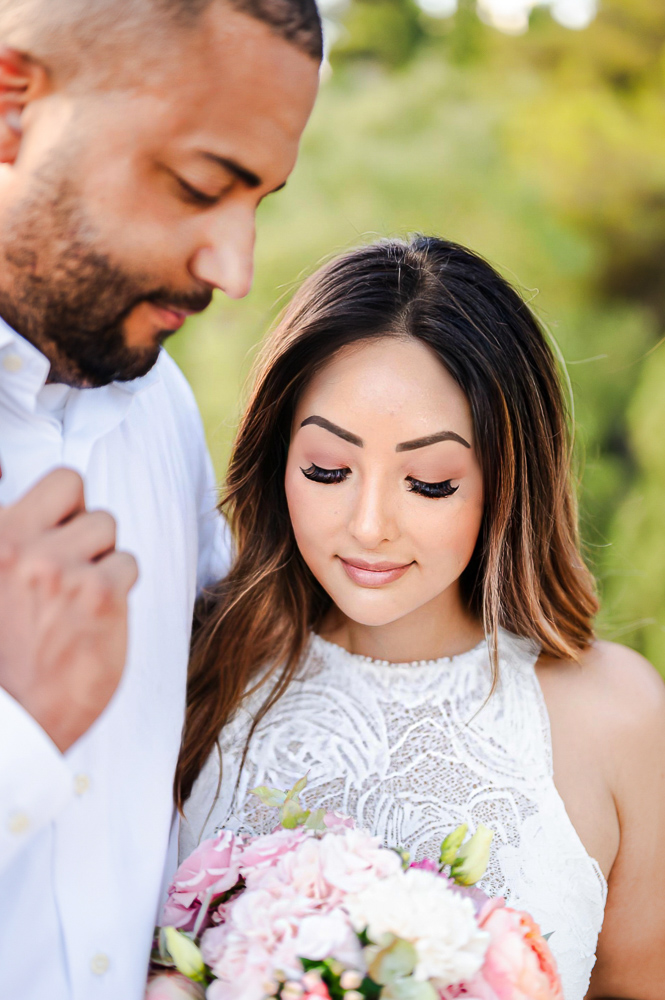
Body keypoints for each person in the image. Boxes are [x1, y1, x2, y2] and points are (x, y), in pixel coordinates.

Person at [178, 236, 665, 1000]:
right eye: (327, 470)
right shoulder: (198, 668)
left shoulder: (615, 716)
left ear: (507, 476)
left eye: (429, 482)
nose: (369, 524)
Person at [0, 1, 321, 997]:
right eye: (198, 186)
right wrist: (18, 721)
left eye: (258, 199)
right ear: (14, 106)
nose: (236, 266)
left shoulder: (161, 408)